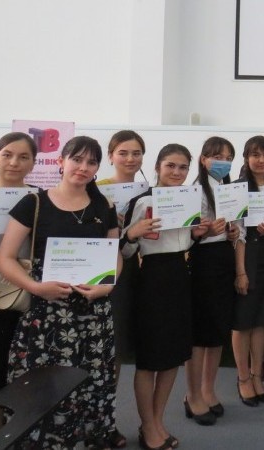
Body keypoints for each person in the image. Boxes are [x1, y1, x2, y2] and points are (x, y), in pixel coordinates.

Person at [0, 136, 121, 448]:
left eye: (91, 162)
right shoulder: (34, 203)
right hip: (47, 312)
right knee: (45, 385)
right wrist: (36, 288)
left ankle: (88, 436)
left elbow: (115, 256)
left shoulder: (104, 205)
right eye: (76, 159)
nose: (83, 167)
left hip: (93, 314)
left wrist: (107, 285)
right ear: (60, 162)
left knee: (92, 380)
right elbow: (5, 258)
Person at [121, 144, 210, 450]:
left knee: (173, 356)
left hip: (181, 276)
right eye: (170, 165)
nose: (176, 172)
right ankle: (147, 425)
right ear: (158, 166)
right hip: (151, 280)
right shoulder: (142, 201)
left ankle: (158, 421)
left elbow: (186, 242)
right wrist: (133, 233)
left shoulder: (190, 199)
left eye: (183, 167)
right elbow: (126, 251)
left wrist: (197, 234)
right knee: (150, 360)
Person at [96, 129, 148, 448]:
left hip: (138, 273)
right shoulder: (96, 190)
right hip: (106, 272)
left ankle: (106, 420)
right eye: (123, 152)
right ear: (111, 155)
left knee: (119, 349)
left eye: (136, 153)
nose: (130, 159)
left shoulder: (149, 190)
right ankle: (95, 420)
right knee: (104, 350)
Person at [185, 136, 239, 424]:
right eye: (217, 156)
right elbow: (187, 234)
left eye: (228, 158)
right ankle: (192, 395)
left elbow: (236, 228)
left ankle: (208, 389)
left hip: (223, 260)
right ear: (203, 159)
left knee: (217, 330)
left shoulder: (227, 188)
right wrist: (206, 232)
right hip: (202, 261)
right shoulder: (195, 190)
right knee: (200, 333)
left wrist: (232, 232)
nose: (223, 162)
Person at [232, 136, 264, 406]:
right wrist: (240, 272)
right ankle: (242, 378)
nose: (261, 160)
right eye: (255, 155)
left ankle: (256, 375)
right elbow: (237, 233)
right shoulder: (238, 188)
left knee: (261, 319)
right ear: (246, 158)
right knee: (243, 321)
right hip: (245, 256)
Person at [0, 133, 37, 425]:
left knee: (21, 365)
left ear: (33, 163)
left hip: (22, 293)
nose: (14, 162)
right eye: (7, 154)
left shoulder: (41, 199)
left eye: (23, 157)